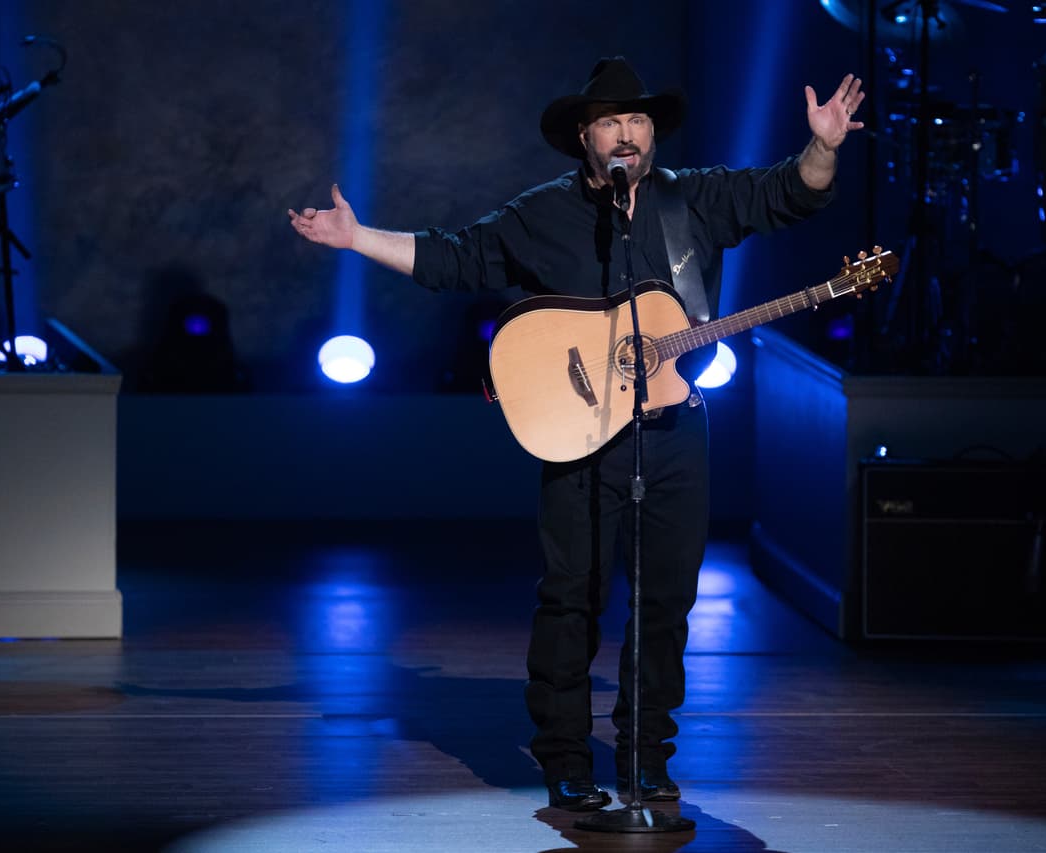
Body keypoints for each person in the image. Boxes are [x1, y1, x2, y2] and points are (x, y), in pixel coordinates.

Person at [289, 56, 864, 812]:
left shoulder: (693, 200)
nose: (626, 134)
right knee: (573, 597)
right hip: (582, 435)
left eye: (638, 120)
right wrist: (359, 238)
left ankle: (644, 754)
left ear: (652, 131)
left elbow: (791, 195)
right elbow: (458, 256)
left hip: (674, 433)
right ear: (584, 137)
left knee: (665, 601)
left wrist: (821, 145)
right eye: (610, 123)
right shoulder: (545, 212)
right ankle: (564, 756)